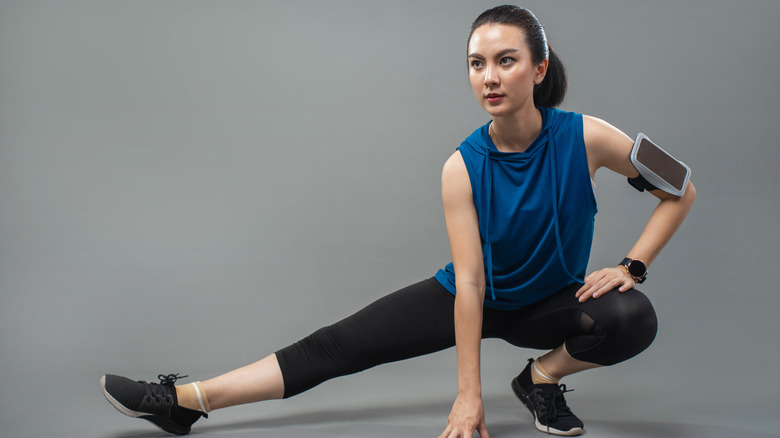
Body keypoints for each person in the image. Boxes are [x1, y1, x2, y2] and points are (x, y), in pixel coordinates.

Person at [99, 5, 695, 437]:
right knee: (333, 346)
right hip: (473, 295)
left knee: (631, 316)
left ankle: (538, 379)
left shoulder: (589, 136)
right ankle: (185, 401)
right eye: (477, 63)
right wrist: (467, 397)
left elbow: (681, 188)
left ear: (539, 69)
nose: (489, 77)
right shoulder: (462, 167)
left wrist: (632, 265)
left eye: (506, 61)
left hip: (552, 303)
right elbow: (470, 283)